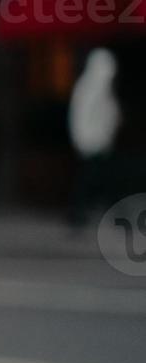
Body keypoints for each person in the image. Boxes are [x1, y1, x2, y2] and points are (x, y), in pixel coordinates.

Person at [67, 47, 121, 228]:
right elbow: (80, 115)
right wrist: (83, 139)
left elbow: (108, 114)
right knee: (87, 180)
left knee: (101, 179)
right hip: (90, 144)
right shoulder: (87, 87)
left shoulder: (104, 89)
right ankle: (77, 214)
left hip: (101, 144)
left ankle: (99, 211)